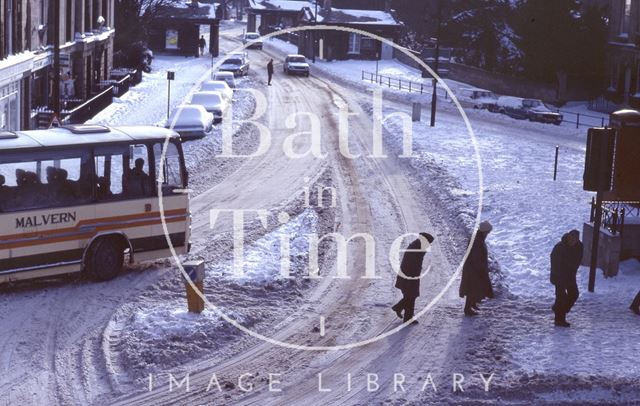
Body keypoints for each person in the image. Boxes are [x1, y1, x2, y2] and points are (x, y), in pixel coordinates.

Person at [392, 232, 435, 324]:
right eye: (429, 243)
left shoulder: (417, 245)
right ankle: (403, 312)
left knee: (410, 295)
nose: (429, 245)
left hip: (409, 275)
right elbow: (413, 264)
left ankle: (403, 312)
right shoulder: (418, 248)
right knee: (411, 296)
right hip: (410, 275)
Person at [459, 221, 494, 316]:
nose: (488, 234)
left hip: (473, 267)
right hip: (473, 269)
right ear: (484, 231)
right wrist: (481, 269)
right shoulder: (477, 241)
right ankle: (467, 309)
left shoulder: (478, 238)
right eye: (488, 232)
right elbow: (476, 257)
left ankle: (473, 304)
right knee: (472, 289)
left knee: (476, 288)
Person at [550, 229, 583, 327]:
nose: (573, 241)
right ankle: (559, 319)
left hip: (570, 275)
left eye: (575, 240)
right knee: (561, 297)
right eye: (571, 239)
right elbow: (554, 262)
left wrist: (572, 271)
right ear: (568, 237)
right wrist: (559, 275)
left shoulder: (579, 247)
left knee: (574, 294)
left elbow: (578, 259)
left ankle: (559, 309)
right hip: (559, 275)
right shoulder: (559, 247)